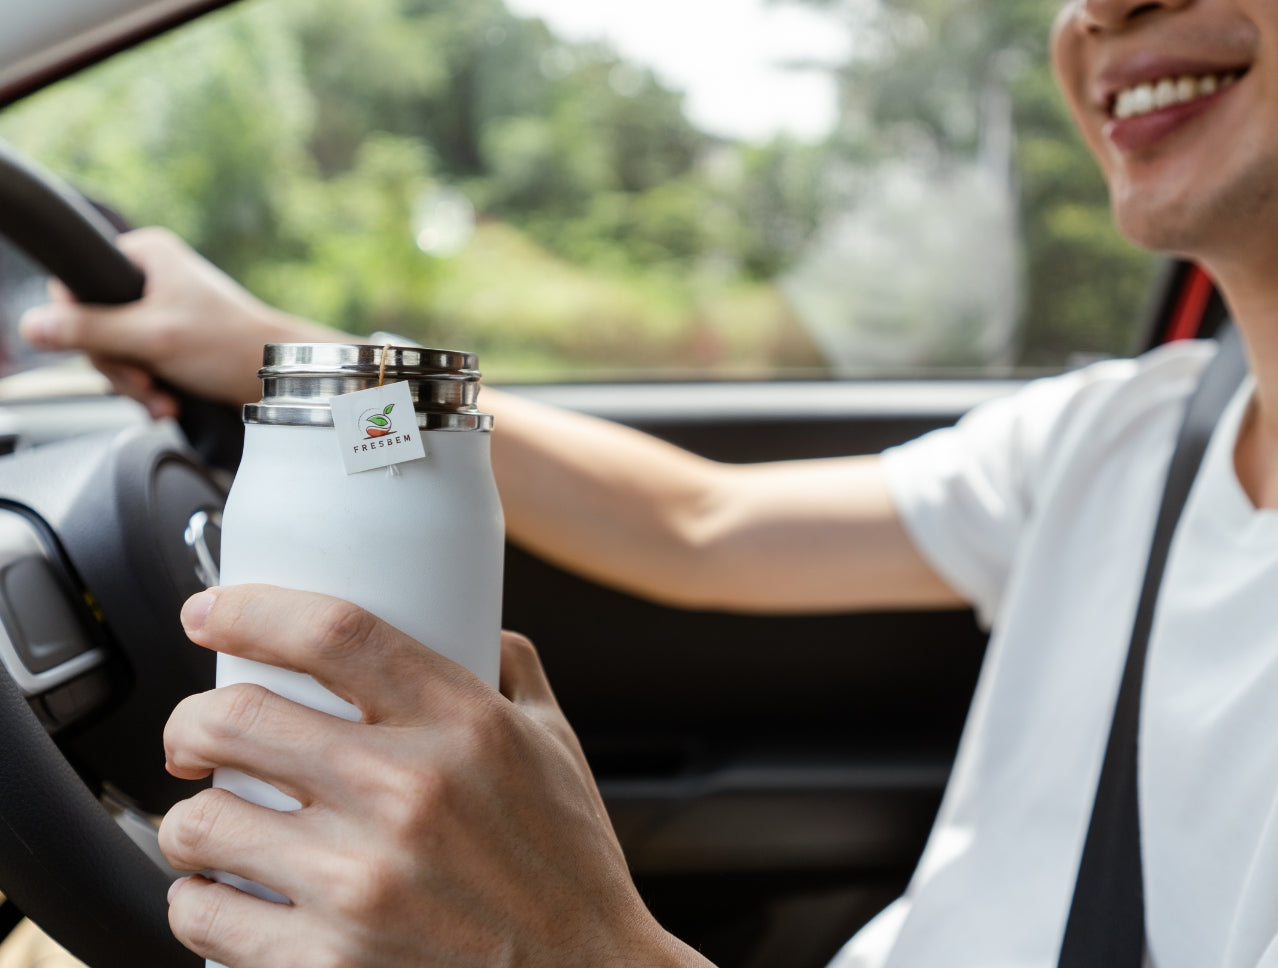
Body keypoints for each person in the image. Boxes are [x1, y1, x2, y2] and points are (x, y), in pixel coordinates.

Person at [17, 0, 1278, 964]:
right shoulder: (1127, 433)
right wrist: (262, 348)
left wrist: (590, 945)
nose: (1106, 11)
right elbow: (705, 523)